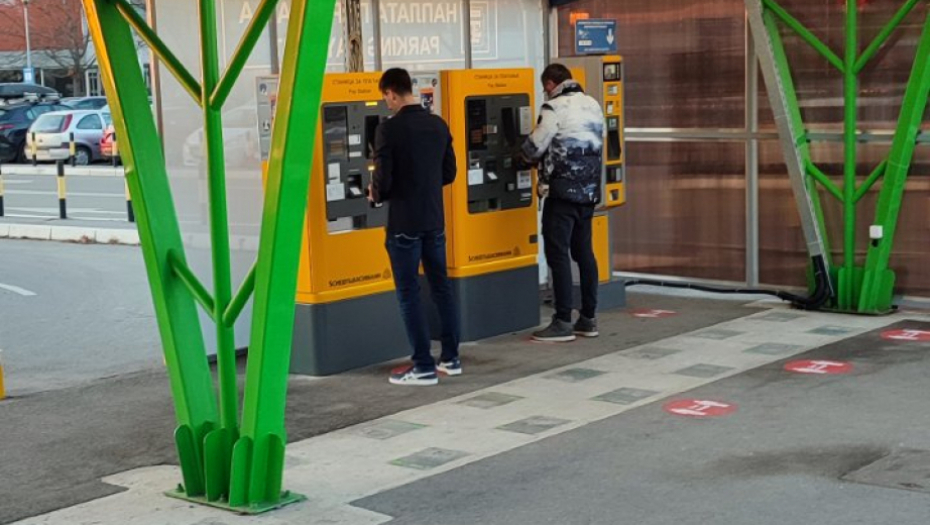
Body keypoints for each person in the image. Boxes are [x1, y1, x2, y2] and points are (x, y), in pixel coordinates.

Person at [369, 68, 460, 386]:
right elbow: (450, 172)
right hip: (434, 220)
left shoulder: (388, 130)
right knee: (441, 289)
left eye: (386, 98)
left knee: (409, 294)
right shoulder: (437, 124)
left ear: (391, 93)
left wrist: (375, 194)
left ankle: (422, 365)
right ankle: (450, 358)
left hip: (404, 223)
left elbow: (384, 177)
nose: (387, 104)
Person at [522, 63, 605, 342]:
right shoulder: (593, 104)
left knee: (558, 254)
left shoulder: (554, 108)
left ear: (549, 84)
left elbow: (534, 146)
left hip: (562, 193)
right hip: (590, 192)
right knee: (584, 253)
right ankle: (588, 319)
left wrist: (518, 152)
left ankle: (562, 322)